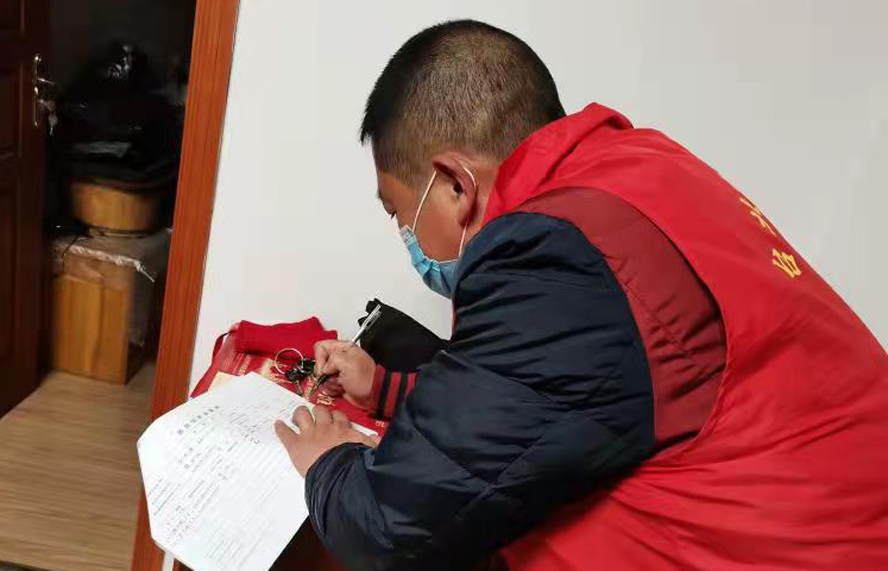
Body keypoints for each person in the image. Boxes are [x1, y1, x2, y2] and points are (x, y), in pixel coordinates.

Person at [274, 19, 888, 571]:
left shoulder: (556, 254)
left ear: (456, 184)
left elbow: (392, 531)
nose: (406, 238)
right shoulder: (636, 171)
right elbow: (548, 401)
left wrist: (329, 463)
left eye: (400, 213)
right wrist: (384, 387)